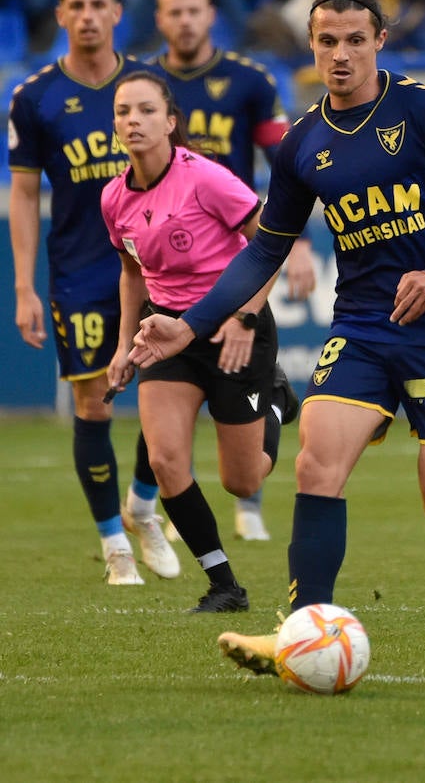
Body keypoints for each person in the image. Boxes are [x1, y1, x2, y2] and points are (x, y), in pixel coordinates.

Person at [130, 0, 425, 692]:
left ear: (379, 42)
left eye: (354, 41)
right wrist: (190, 326)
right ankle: (298, 634)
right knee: (315, 467)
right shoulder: (303, 143)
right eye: (327, 42)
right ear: (312, 46)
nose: (340, 55)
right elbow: (263, 249)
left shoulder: (424, 110)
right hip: (363, 328)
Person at [8, 0, 180, 586]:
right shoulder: (35, 98)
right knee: (94, 404)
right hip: (79, 272)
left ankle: (143, 505)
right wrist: (24, 285)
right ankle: (114, 544)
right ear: (60, 15)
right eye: (74, 6)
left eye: (97, 5)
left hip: (153, 266)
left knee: (169, 399)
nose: (86, 16)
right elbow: (25, 195)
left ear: (117, 13)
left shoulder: (147, 89)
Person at [102, 70, 289, 611]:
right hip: (168, 335)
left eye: (145, 110)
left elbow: (268, 245)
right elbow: (132, 274)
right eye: (122, 111)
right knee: (164, 463)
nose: (133, 120)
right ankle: (224, 586)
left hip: (234, 325)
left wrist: (247, 317)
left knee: (242, 478)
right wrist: (122, 348)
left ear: (170, 121)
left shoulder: (206, 178)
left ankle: (276, 401)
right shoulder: (114, 198)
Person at [153, 0, 313, 540]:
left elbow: (287, 165)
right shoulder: (144, 86)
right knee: (169, 394)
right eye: (175, 12)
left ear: (211, 14)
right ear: (159, 18)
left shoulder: (248, 80)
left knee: (236, 442)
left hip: (237, 261)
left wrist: (299, 244)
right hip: (165, 265)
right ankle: (162, 503)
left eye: (195, 10)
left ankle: (247, 502)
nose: (185, 21)